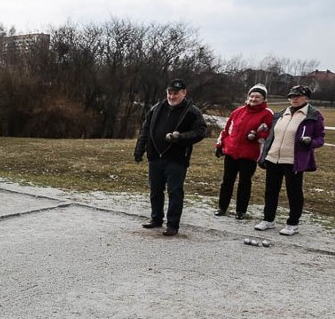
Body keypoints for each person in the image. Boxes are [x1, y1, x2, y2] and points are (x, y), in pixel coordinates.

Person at [134, 79, 207, 236]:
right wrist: (139, 150)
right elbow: (145, 130)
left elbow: (200, 131)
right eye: (170, 93)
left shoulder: (192, 112)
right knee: (155, 190)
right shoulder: (156, 108)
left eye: (175, 93)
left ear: (184, 93)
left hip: (176, 159)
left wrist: (180, 137)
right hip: (155, 157)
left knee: (174, 192)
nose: (172, 96)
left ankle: (173, 224)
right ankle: (156, 218)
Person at [254, 84, 325, 236]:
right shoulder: (281, 114)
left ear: (306, 98)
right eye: (292, 96)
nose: (295, 99)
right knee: (270, 191)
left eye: (298, 96)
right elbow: (272, 136)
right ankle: (268, 219)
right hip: (273, 157)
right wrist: (264, 152)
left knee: (294, 192)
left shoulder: (313, 116)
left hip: (293, 160)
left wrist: (310, 142)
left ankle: (293, 223)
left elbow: (320, 138)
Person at [214, 83, 273, 220]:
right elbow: (227, 129)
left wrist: (257, 136)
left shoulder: (267, 114)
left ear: (263, 99)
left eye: (257, 97)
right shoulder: (238, 111)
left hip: (249, 154)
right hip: (231, 151)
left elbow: (268, 133)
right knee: (227, 181)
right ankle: (222, 207)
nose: (253, 99)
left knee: (244, 182)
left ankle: (241, 210)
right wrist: (219, 144)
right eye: (252, 96)